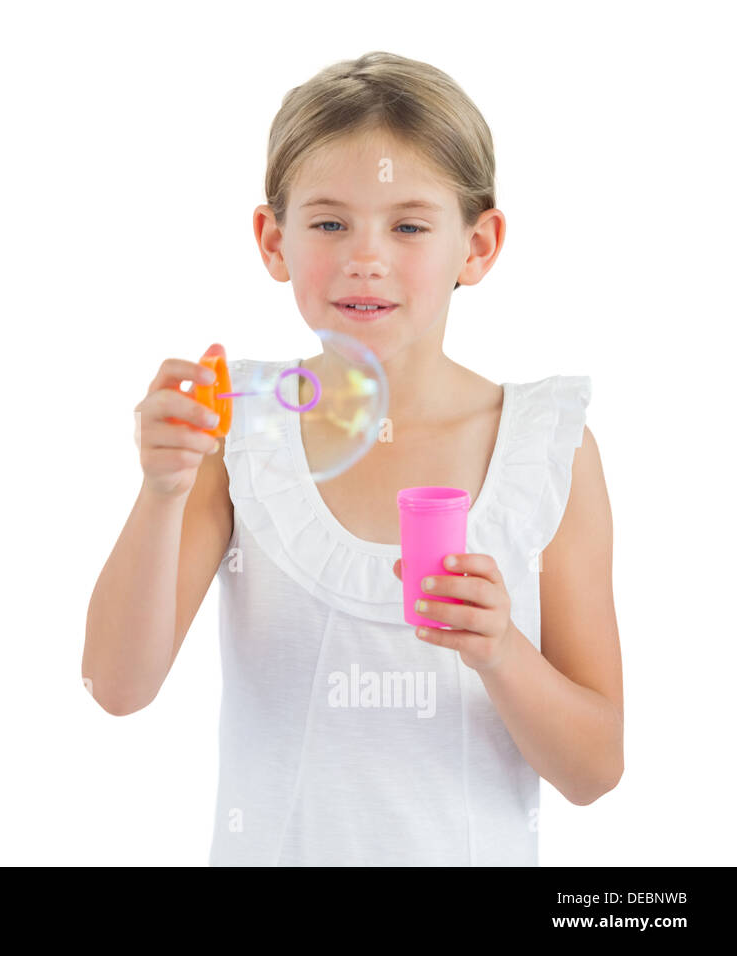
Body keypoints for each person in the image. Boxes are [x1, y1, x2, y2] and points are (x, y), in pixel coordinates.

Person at [83, 51, 622, 865]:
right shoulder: (239, 430)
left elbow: (595, 769)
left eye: (408, 225)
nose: (365, 257)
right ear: (274, 240)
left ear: (478, 246)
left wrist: (502, 651)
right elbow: (117, 689)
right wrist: (162, 490)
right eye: (330, 222)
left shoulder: (546, 447)